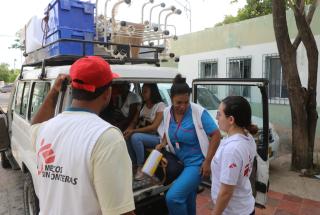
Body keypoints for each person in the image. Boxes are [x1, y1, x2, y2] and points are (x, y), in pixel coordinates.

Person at [31, 56, 135, 215]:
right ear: (108, 93)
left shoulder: (44, 130)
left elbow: (35, 125)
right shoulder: (106, 137)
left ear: (72, 88)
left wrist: (54, 91)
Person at [156, 74, 221, 215]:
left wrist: (208, 162)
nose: (183, 106)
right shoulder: (167, 112)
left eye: (186, 102)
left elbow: (216, 135)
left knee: (173, 197)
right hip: (179, 161)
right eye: (178, 102)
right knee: (188, 199)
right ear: (171, 99)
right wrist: (162, 143)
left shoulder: (198, 112)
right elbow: (168, 129)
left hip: (196, 164)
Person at [211, 96, 257, 215]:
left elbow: (226, 192)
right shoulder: (248, 137)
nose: (217, 118)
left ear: (231, 119)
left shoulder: (232, 150)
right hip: (244, 207)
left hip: (234, 211)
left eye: (219, 114)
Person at [124, 83, 166, 180]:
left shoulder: (160, 106)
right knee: (127, 136)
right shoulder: (142, 105)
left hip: (156, 137)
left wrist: (133, 131)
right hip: (142, 134)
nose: (143, 93)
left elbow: (154, 127)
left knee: (135, 136)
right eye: (142, 91)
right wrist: (129, 130)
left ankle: (141, 166)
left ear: (153, 92)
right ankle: (133, 164)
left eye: (145, 91)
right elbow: (134, 121)